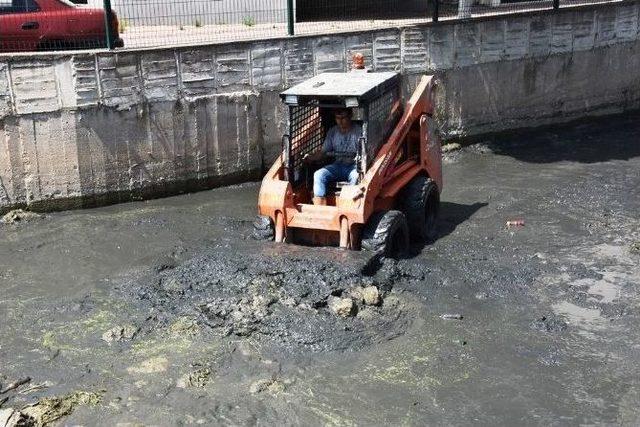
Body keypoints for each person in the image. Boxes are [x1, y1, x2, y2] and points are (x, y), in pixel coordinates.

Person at [307, 108, 362, 205]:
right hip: (338, 166)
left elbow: (365, 153)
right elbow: (323, 152)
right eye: (337, 118)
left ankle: (349, 205)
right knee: (319, 174)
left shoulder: (359, 131)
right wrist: (310, 157)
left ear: (350, 116)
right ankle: (320, 207)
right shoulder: (333, 132)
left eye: (343, 117)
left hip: (354, 167)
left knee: (356, 177)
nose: (340, 121)